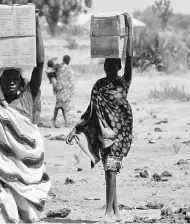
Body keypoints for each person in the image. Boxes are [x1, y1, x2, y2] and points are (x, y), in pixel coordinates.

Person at [0, 10, 51, 223]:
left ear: (21, 82)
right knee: (7, 216)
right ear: (0, 82)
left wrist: (36, 24)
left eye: (15, 78)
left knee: (30, 217)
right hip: (0, 174)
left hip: (26, 174)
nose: (11, 81)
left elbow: (40, 63)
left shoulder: (27, 97)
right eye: (7, 78)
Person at [66, 13, 133, 223]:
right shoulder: (99, 85)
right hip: (104, 135)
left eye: (112, 64)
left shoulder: (123, 83)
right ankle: (117, 213)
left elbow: (130, 57)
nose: (108, 67)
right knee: (109, 172)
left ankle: (108, 212)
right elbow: (90, 110)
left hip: (119, 134)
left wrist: (129, 30)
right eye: (106, 64)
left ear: (118, 67)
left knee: (111, 169)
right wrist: (75, 129)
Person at [51, 55, 75, 128]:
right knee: (61, 106)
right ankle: (61, 121)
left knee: (59, 106)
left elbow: (57, 78)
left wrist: (56, 88)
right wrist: (71, 89)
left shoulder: (60, 67)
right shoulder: (67, 68)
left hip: (60, 90)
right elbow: (71, 80)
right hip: (64, 91)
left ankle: (60, 121)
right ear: (68, 61)